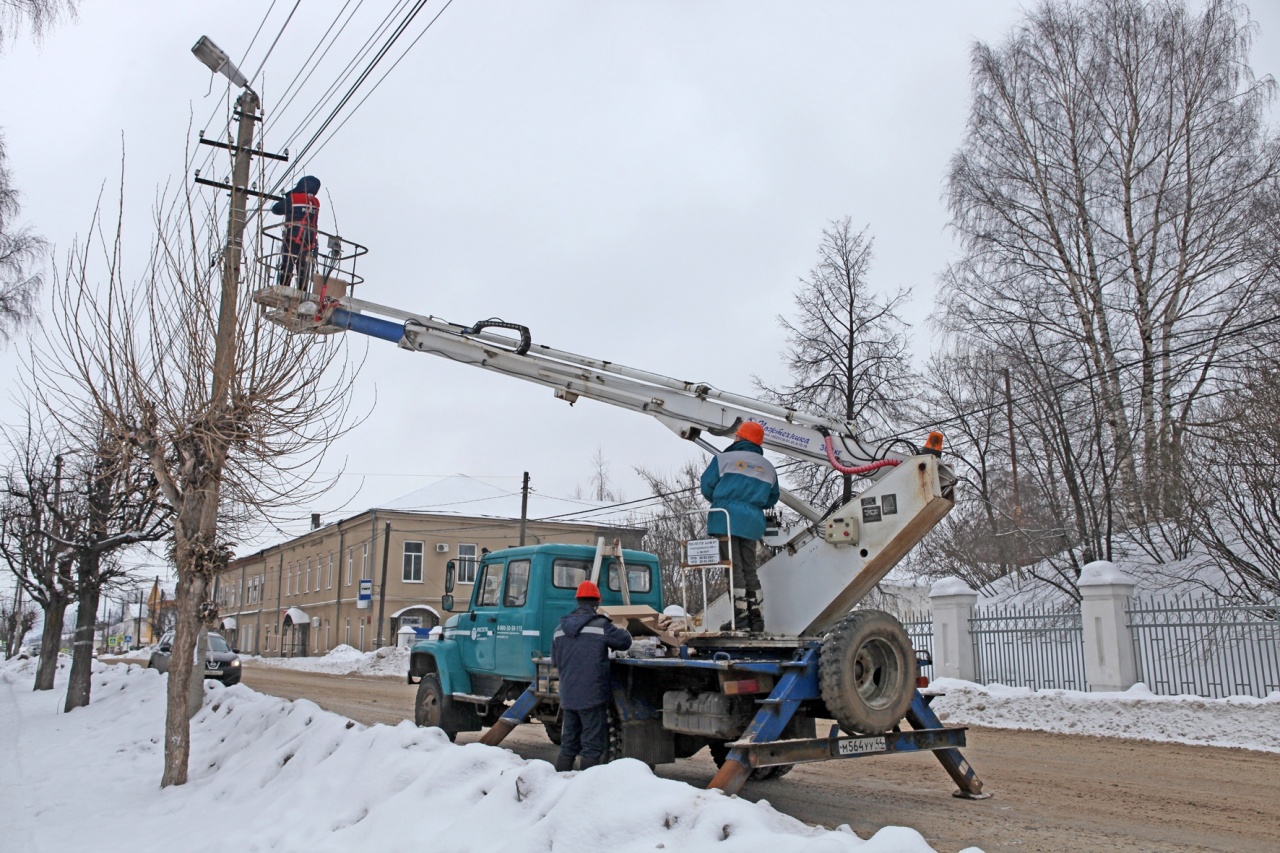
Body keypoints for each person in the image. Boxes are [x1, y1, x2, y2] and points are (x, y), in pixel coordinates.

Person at [700, 421, 779, 632]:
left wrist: (724, 499)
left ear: (740, 438)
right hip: (752, 522)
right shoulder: (768, 467)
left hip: (725, 518)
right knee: (749, 569)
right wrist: (751, 503)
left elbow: (707, 486)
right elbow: (772, 498)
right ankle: (757, 620)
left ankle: (740, 619)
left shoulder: (724, 459)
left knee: (733, 568)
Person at [550, 580, 632, 772]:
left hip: (568, 695)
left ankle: (559, 781)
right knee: (592, 746)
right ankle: (586, 785)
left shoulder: (559, 629)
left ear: (578, 600)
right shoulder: (601, 625)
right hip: (592, 696)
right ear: (597, 602)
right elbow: (624, 642)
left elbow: (555, 661)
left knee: (568, 745)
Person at [271, 175, 321, 290]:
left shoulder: (294, 198)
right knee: (303, 266)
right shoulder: (315, 202)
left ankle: (284, 286)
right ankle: (302, 289)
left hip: (293, 236)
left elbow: (276, 209)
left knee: (288, 262)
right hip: (310, 239)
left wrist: (288, 197)